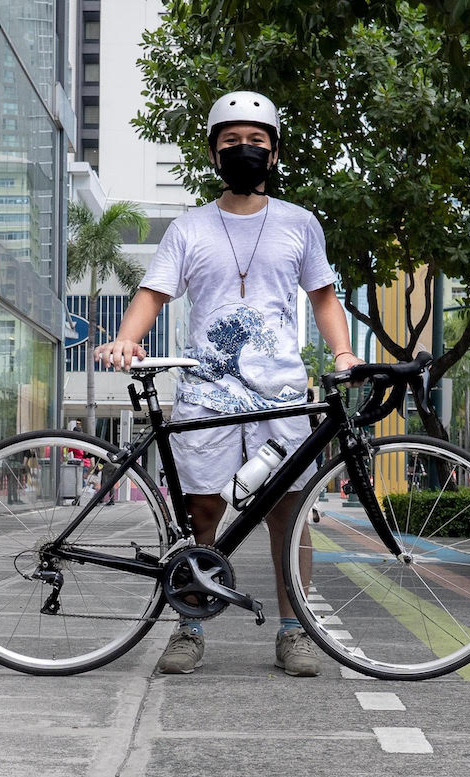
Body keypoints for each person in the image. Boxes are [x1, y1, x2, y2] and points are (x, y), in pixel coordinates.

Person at [95, 90, 362, 677]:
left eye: (257, 142)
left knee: (288, 515)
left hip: (282, 393)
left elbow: (322, 296)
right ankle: (189, 627)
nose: (245, 150)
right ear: (214, 153)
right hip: (207, 390)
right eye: (232, 142)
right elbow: (154, 293)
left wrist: (342, 352)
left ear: (274, 154)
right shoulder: (189, 228)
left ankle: (296, 632)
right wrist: (126, 337)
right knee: (204, 512)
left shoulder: (300, 223)